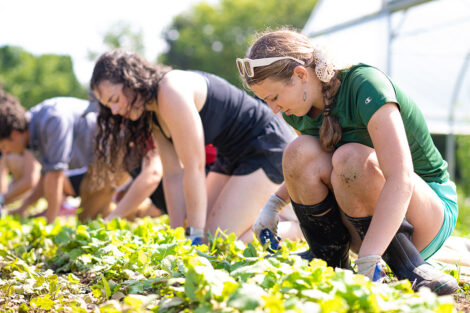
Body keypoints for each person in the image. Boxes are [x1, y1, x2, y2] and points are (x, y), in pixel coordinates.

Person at [238, 28, 459, 295]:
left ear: (300, 75)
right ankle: (328, 261)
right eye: (265, 101)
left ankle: (408, 265)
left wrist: (368, 257)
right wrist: (273, 206)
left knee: (351, 157)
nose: (273, 109)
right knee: (298, 150)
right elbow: (313, 164)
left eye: (274, 98)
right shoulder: (297, 108)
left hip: (424, 217)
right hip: (364, 218)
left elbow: (400, 177)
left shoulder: (365, 85)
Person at [90, 50, 303, 244]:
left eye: (115, 99)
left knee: (217, 242)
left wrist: (194, 235)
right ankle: (263, 219)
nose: (115, 110)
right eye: (109, 106)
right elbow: (173, 175)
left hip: (265, 145)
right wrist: (177, 236)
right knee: (207, 234)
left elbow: (194, 168)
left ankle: (298, 229)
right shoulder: (152, 112)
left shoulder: (170, 90)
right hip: (231, 156)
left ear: (131, 80)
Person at [0, 89, 117, 223]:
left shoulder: (51, 120)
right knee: (88, 216)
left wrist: (50, 224)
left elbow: (55, 176)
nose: (4, 152)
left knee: (90, 218)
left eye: (3, 146)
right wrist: (23, 208)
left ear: (14, 134)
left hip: (114, 154)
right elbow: (45, 179)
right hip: (98, 163)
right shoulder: (33, 129)